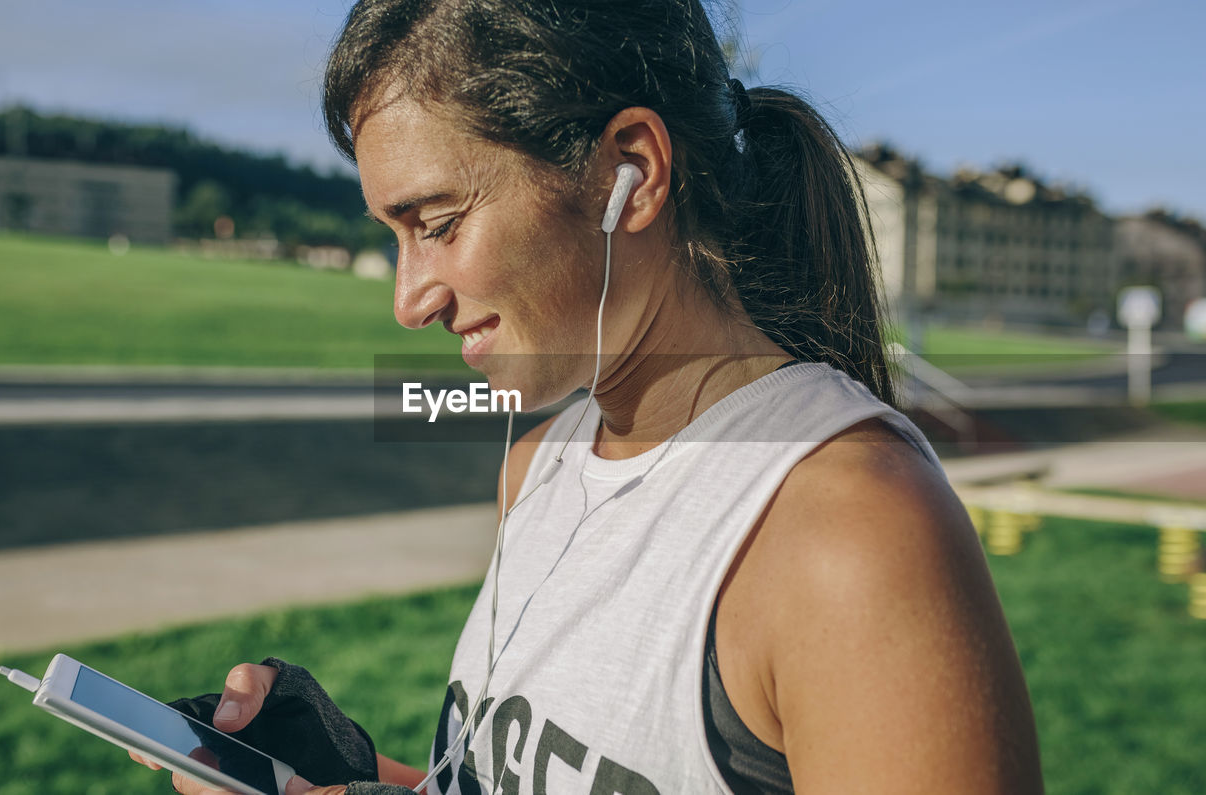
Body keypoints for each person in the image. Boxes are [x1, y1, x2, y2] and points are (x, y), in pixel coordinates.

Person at [142, 1, 1043, 792]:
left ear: (632, 174)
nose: (409, 300)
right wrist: (333, 771)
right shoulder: (536, 468)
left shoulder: (847, 532)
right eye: (395, 236)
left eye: (440, 224)